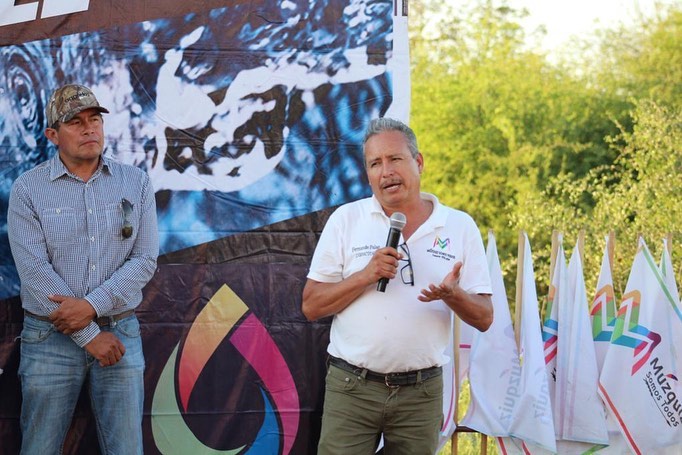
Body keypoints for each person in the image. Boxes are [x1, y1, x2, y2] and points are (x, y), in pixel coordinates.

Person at [302, 117, 494, 454]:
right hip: (352, 388)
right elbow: (311, 305)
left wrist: (454, 295)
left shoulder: (458, 226)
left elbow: (484, 317)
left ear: (418, 163)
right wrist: (365, 274)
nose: (386, 171)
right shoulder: (347, 219)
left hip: (420, 393)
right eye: (375, 163)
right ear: (368, 174)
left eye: (395, 159)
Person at [7, 84, 159, 454]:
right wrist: (89, 336)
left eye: (94, 120)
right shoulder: (28, 189)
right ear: (53, 135)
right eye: (75, 122)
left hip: (120, 334)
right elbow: (34, 273)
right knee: (39, 448)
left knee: (126, 449)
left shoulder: (135, 182)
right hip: (49, 341)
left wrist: (91, 307)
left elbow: (144, 259)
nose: (89, 128)